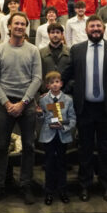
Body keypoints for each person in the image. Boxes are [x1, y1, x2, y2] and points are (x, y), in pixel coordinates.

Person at [62, 15, 107, 202]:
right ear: (86, 30)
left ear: (103, 29)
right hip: (84, 108)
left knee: (106, 148)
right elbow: (67, 74)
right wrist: (51, 91)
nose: (96, 29)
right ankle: (85, 185)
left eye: (99, 26)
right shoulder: (77, 49)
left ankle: (106, 185)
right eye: (92, 26)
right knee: (85, 148)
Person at [0, 12, 43, 206]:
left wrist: (23, 103)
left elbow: (37, 78)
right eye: (16, 23)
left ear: (26, 27)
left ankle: (25, 185)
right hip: (4, 105)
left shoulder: (33, 50)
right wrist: (7, 103)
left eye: (23, 24)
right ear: (9, 26)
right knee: (2, 147)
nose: (19, 26)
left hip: (27, 105)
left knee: (29, 146)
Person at [37, 71, 76, 205]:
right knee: (49, 165)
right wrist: (39, 114)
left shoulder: (68, 100)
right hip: (48, 135)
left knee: (62, 164)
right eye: (51, 82)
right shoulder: (43, 100)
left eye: (57, 82)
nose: (54, 84)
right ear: (47, 86)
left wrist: (64, 127)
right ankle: (49, 192)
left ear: (61, 84)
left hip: (62, 135)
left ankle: (63, 191)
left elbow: (72, 118)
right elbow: (42, 119)